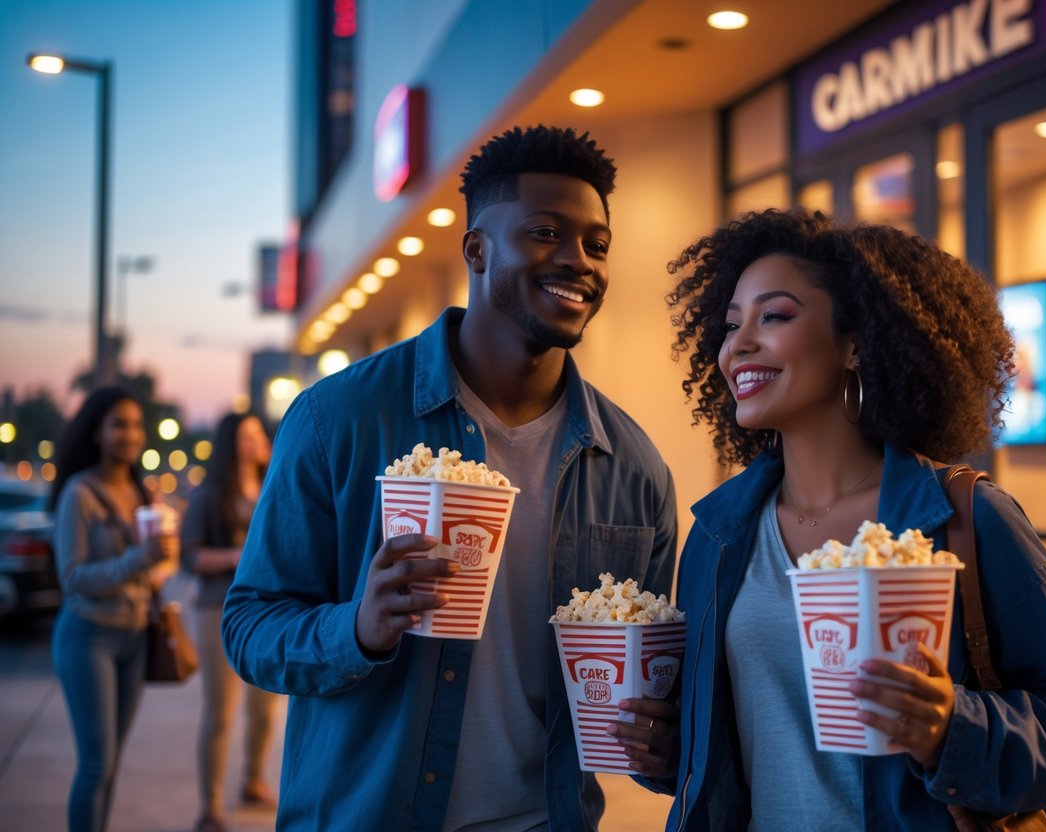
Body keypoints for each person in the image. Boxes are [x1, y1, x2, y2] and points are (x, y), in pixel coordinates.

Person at [221, 124, 678, 830]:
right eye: (545, 233)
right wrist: (358, 629)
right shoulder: (336, 421)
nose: (576, 260)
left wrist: (660, 738)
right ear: (476, 249)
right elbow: (249, 627)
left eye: (596, 244)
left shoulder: (633, 468)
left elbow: (644, 708)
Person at [633, 208, 1046, 829]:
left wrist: (952, 729)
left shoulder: (965, 519)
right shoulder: (718, 536)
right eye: (732, 325)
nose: (740, 345)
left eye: (775, 315)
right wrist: (667, 748)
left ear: (855, 341)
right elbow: (736, 750)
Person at [49, 386, 180, 832]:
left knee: (110, 765)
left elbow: (149, 572)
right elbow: (73, 578)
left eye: (136, 424)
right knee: (94, 765)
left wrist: (162, 560)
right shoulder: (79, 493)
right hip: (88, 637)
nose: (130, 434)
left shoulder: (141, 492)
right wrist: (139, 559)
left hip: (134, 637)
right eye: (118, 424)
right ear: (96, 432)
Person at [180, 412, 278, 832]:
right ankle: (211, 807)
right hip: (217, 606)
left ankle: (253, 780)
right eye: (248, 433)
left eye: (260, 432)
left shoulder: (275, 485)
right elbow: (190, 557)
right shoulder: (209, 496)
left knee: (265, 708)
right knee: (220, 711)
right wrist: (238, 557)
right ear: (230, 442)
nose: (258, 439)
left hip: (269, 609)